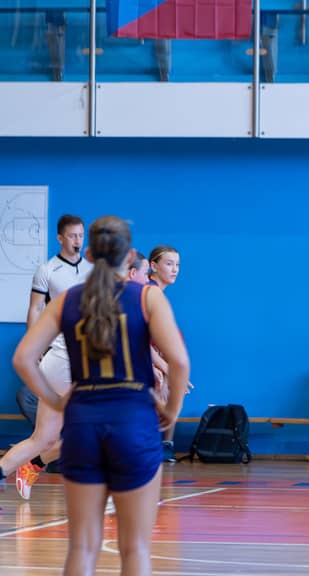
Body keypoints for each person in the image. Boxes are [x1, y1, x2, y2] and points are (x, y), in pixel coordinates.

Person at [12, 215, 190, 576]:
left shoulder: (68, 300)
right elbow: (179, 361)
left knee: (81, 547)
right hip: (133, 421)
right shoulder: (148, 297)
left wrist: (56, 400)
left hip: (84, 423)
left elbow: (23, 359)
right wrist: (171, 409)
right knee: (135, 549)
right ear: (132, 257)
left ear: (90, 254)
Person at [1, 214, 91, 499]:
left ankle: (29, 465)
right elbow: (35, 309)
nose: (78, 240)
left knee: (66, 434)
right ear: (60, 238)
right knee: (52, 436)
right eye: (73, 235)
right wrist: (35, 345)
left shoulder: (92, 270)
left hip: (83, 361)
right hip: (63, 360)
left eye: (81, 235)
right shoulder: (48, 270)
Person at [148, 245, 184, 462]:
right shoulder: (149, 292)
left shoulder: (158, 295)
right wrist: (163, 368)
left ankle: (163, 445)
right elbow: (140, 339)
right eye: (169, 264)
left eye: (177, 264)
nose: (175, 269)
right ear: (153, 266)